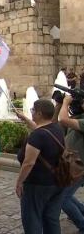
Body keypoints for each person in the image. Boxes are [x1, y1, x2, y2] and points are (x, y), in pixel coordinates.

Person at [15, 99, 65, 234]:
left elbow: (28, 162)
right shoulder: (56, 128)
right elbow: (41, 129)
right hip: (56, 182)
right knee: (51, 218)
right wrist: (25, 118)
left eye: (33, 110)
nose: (31, 112)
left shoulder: (37, 136)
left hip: (37, 184)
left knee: (32, 220)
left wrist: (19, 182)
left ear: (39, 114)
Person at [58, 95, 84, 232]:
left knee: (62, 198)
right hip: (73, 164)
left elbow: (63, 120)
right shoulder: (80, 117)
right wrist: (60, 104)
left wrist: (66, 102)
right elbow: (56, 121)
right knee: (65, 194)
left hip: (79, 167)